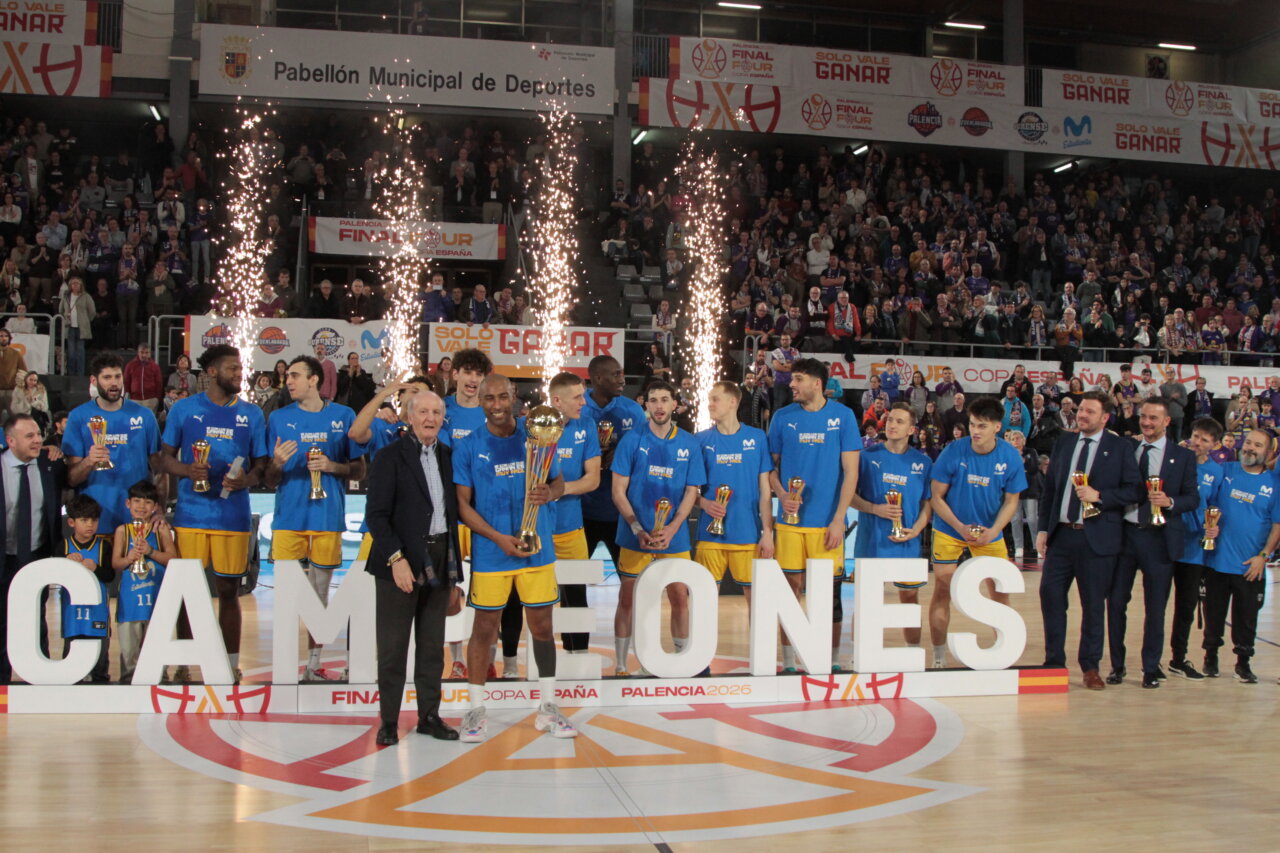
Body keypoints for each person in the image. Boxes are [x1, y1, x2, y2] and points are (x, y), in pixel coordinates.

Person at [453, 374, 576, 743]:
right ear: (481, 402)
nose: (496, 405)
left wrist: (550, 493)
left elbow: (558, 481)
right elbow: (462, 505)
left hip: (537, 550)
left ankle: (548, 707)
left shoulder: (537, 434)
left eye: (502, 397)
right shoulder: (469, 445)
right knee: (483, 630)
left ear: (514, 398)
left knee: (542, 628)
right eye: (489, 398)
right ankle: (476, 709)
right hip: (493, 553)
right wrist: (497, 539)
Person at [158, 345, 269, 683]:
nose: (239, 373)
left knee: (229, 592)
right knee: (187, 592)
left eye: (240, 368)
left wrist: (245, 480)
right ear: (211, 372)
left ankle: (229, 664)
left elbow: (261, 466)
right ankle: (183, 663)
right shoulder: (184, 409)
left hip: (233, 515)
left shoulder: (252, 413)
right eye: (232, 368)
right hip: (191, 515)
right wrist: (187, 470)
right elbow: (164, 458)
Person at [365, 389, 463, 745]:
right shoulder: (389, 456)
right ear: (409, 416)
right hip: (400, 561)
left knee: (432, 646)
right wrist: (396, 559)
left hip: (439, 558)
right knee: (393, 648)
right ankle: (389, 721)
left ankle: (429, 717)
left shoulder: (450, 457)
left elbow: (453, 513)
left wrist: (454, 572)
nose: (430, 419)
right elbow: (376, 515)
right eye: (423, 412)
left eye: (436, 412)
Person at [265, 355, 365, 681]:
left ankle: (313, 664)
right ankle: (284, 665)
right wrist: (276, 464)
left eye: (295, 375)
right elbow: (269, 479)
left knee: (319, 595)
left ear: (314, 380)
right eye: (287, 376)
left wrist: (332, 466)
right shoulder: (278, 418)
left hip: (326, 518)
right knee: (287, 598)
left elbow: (359, 470)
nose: (288, 381)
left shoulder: (343, 416)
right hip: (288, 519)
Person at [1036, 391, 1144, 690]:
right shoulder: (1064, 442)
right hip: (1061, 535)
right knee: (1050, 597)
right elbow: (1051, 490)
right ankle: (1054, 662)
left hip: (1097, 538)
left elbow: (1135, 490)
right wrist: (1043, 529)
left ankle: (1090, 666)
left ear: (1105, 417)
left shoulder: (1120, 447)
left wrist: (1101, 496)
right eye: (1081, 410)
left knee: (1094, 605)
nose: (1082, 415)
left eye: (1089, 411)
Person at [767, 358, 859, 672]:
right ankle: (789, 662)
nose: (791, 385)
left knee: (829, 596)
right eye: (792, 379)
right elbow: (769, 468)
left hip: (827, 524)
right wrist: (781, 494)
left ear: (817, 383)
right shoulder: (782, 417)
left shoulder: (843, 417)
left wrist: (838, 519)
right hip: (790, 524)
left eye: (798, 379)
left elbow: (851, 472)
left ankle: (829, 661)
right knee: (789, 592)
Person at [609, 380, 705, 674]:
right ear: (646, 405)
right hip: (635, 534)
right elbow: (618, 491)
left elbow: (691, 491)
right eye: (653, 400)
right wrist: (637, 527)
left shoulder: (689, 443)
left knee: (679, 597)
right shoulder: (631, 440)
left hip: (673, 536)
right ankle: (621, 665)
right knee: (627, 599)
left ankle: (681, 661)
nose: (659, 406)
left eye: (665, 400)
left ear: (675, 404)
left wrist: (674, 528)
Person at [1105, 398, 1198, 689]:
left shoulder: (1183, 457)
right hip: (1124, 536)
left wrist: (1170, 501)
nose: (1146, 422)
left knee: (1155, 608)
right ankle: (1117, 666)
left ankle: (1150, 668)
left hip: (1160, 539)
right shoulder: (1127, 448)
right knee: (1115, 603)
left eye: (1153, 418)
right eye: (1143, 417)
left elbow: (1192, 498)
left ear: (1167, 421)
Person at [927, 396, 1026, 668]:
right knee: (942, 588)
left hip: (989, 531)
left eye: (982, 426)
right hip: (950, 528)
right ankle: (938, 657)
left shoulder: (1010, 456)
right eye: (972, 424)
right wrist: (959, 527)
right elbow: (936, 497)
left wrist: (993, 531)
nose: (975, 431)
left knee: (999, 592)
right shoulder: (953, 451)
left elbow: (1012, 502)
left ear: (997, 427)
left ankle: (1006, 653)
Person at [1200, 429, 1280, 684]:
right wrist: (1207, 526)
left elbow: (1277, 525)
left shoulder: (1274, 483)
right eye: (1248, 442)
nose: (1250, 448)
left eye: (1258, 445)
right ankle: (1210, 657)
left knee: (1246, 618)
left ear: (1268, 452)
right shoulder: (1226, 471)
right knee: (1213, 614)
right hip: (1217, 561)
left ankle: (1243, 663)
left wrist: (1263, 556)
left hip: (1250, 565)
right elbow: (1206, 504)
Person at [851, 402, 931, 650]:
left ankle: (913, 653)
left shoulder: (923, 463)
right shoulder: (866, 457)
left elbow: (928, 503)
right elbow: (849, 495)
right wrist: (874, 508)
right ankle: (859, 654)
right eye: (890, 420)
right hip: (871, 542)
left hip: (906, 543)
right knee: (866, 602)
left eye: (899, 421)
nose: (892, 425)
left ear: (911, 430)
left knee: (910, 600)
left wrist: (917, 529)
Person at [694, 381, 774, 622]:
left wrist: (768, 532)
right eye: (709, 399)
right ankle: (703, 649)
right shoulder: (700, 440)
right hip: (710, 535)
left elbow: (765, 490)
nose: (710, 404)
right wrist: (704, 503)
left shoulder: (757, 438)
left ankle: (757, 647)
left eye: (715, 399)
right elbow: (687, 490)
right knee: (703, 601)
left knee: (757, 603)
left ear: (732, 402)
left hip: (747, 534)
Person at [0, 414, 67, 683]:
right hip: (4, 556)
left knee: (37, 618)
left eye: (39, 434)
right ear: (10, 441)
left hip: (37, 555)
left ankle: (39, 680)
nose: (38, 439)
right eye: (30, 436)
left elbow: (72, 480)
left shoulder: (50, 463)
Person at [63, 353, 161, 538]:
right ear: (94, 380)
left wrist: (160, 508)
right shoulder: (78, 417)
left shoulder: (144, 415)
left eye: (117, 376)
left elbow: (160, 469)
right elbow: (72, 479)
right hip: (95, 521)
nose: (114, 383)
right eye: (107, 377)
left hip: (137, 521)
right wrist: (89, 461)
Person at [439, 347, 492, 675]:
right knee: (450, 592)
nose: (473, 379)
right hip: (450, 514)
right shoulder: (440, 410)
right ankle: (457, 658)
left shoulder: (492, 411)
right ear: (454, 374)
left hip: (486, 514)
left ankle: (487, 659)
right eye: (468, 372)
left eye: (478, 373)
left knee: (488, 589)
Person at [545, 372, 601, 655]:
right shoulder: (531, 425)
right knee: (536, 599)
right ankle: (535, 662)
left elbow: (593, 479)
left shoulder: (586, 425)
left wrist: (558, 490)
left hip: (571, 529)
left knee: (576, 598)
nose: (584, 402)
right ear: (557, 400)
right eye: (577, 397)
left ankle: (577, 655)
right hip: (539, 531)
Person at [1167, 417, 1225, 680]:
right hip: (1167, 541)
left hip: (1194, 549)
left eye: (1204, 439)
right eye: (1196, 436)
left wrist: (1214, 527)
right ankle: (1151, 661)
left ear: (1215, 444)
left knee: (1186, 606)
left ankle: (1178, 659)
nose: (1197, 442)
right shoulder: (1175, 460)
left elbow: (1215, 507)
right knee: (1157, 604)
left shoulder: (1217, 472)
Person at [581, 355, 647, 587]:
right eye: (616, 374)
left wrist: (620, 454)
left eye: (622, 373)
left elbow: (643, 456)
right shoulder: (578, 408)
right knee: (574, 583)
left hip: (620, 515)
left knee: (633, 585)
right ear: (598, 378)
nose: (622, 379)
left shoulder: (633, 410)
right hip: (582, 513)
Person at [110, 479, 177, 683]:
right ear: (128, 503)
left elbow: (172, 559)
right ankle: (128, 679)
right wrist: (129, 558)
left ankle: (161, 679)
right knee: (129, 647)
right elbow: (116, 563)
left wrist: (150, 551)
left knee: (158, 642)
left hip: (156, 595)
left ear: (156, 506)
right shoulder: (122, 531)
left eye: (147, 502)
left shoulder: (161, 529)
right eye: (137, 501)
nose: (141, 506)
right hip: (130, 598)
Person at [59, 495, 112, 683]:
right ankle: (71, 684)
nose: (90, 525)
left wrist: (96, 568)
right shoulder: (63, 547)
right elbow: (55, 577)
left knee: (100, 653)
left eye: (94, 520)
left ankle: (100, 682)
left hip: (98, 611)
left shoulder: (104, 546)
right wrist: (65, 562)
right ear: (71, 522)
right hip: (72, 611)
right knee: (71, 650)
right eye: (84, 520)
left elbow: (109, 576)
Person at [123, 344, 164, 413]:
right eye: (142, 352)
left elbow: (159, 383)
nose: (144, 355)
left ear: (150, 353)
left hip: (151, 400)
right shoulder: (130, 365)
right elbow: (126, 381)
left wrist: (157, 398)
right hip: (134, 400)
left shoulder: (155, 366)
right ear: (138, 352)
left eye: (146, 352)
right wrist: (128, 396)